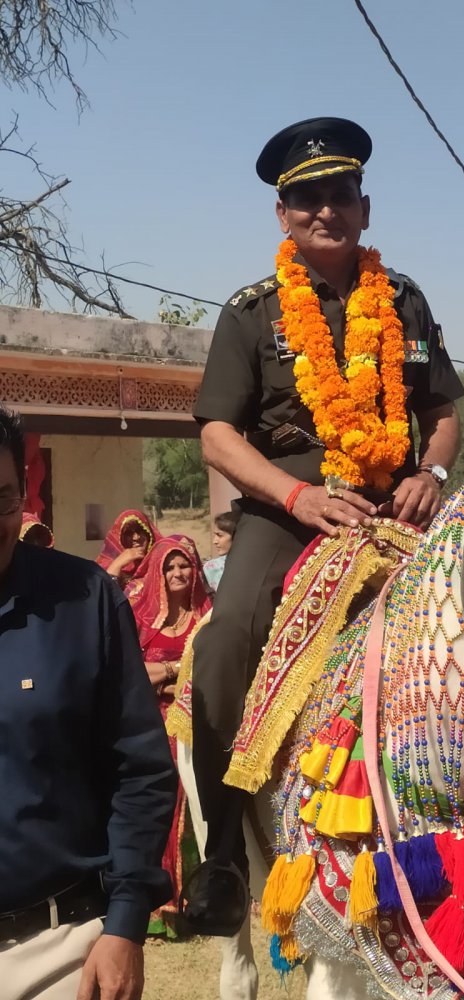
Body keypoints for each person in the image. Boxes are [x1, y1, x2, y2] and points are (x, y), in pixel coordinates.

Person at [189, 116, 464, 883]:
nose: (325, 211)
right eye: (306, 199)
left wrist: (432, 476)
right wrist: (296, 495)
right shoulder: (251, 311)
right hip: (288, 512)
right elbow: (217, 434)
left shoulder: (404, 302)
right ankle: (219, 854)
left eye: (340, 194)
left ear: (364, 207)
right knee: (226, 636)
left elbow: (441, 415)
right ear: (283, 216)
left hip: (395, 510)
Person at [0, 404, 176, 1000]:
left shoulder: (84, 601)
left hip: (58, 953)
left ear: (23, 495)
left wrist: (125, 923)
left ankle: (223, 871)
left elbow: (141, 769)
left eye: (0, 497)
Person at [127, 536, 212, 937]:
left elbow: (214, 668)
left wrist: (164, 673)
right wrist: (182, 669)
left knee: (194, 812)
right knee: (159, 809)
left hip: (198, 728)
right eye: (170, 567)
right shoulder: (142, 620)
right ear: (158, 573)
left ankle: (194, 903)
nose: (179, 573)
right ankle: (154, 905)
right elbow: (133, 674)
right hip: (152, 728)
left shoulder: (209, 617)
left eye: (186, 566)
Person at [96, 509, 161, 588]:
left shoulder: (160, 561)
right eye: (129, 533)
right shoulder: (105, 566)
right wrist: (117, 565)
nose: (136, 537)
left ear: (149, 534)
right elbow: (102, 595)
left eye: (140, 531)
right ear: (120, 538)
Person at [203, 510, 240, 593]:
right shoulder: (211, 569)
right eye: (215, 535)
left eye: (219, 535)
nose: (214, 541)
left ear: (236, 536)